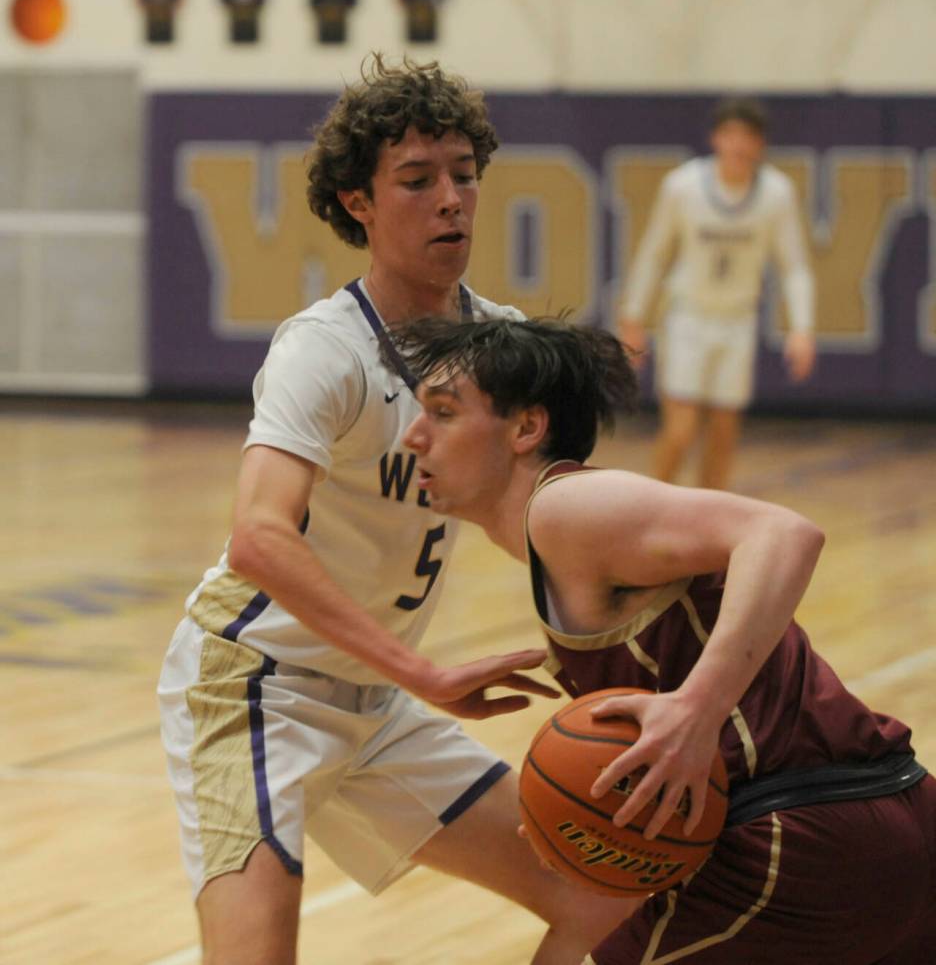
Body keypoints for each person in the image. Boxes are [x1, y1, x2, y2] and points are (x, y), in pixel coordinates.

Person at [157, 58, 625, 965]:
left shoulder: (498, 342)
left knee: (603, 901)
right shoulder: (322, 351)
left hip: (375, 702)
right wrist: (422, 669)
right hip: (254, 687)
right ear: (357, 201)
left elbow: (559, 513)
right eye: (417, 180)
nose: (450, 198)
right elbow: (258, 537)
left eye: (464, 174)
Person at [391, 315, 936, 963]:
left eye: (444, 412)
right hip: (886, 812)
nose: (413, 435)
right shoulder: (562, 539)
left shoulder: (565, 510)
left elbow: (783, 533)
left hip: (797, 839)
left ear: (526, 428)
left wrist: (697, 708)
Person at [618, 97, 817, 490]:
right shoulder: (683, 186)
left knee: (724, 434)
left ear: (760, 145)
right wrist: (633, 317)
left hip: (738, 320)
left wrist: (802, 328)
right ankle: (653, 512)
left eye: (748, 138)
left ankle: (707, 528)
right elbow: (655, 254)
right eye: (731, 136)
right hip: (688, 317)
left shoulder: (777, 193)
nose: (739, 147)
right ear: (716, 139)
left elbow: (794, 266)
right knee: (680, 431)